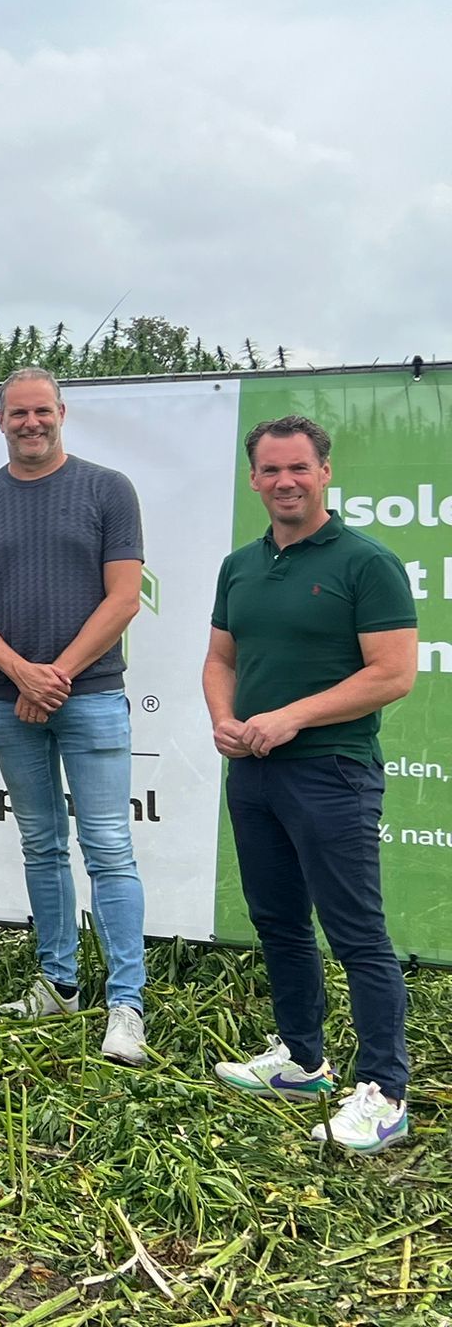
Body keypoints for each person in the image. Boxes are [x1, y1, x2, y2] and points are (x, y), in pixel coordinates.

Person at [204, 415, 418, 1153]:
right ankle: (302, 1059)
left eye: (299, 468)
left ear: (324, 472)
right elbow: (220, 660)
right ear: (254, 478)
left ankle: (385, 1091)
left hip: (332, 772)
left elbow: (393, 673)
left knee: (358, 934)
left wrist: (290, 718)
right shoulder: (240, 566)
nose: (285, 482)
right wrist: (224, 719)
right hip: (253, 772)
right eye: (270, 470)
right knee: (280, 923)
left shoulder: (367, 562)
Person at [0, 367, 148, 1066]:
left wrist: (54, 676)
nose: (31, 423)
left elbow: (124, 598)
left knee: (109, 849)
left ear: (62, 413)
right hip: (10, 700)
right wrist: (21, 674)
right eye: (17, 414)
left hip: (90, 696)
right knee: (40, 844)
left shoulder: (107, 490)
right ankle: (59, 981)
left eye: (42, 412)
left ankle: (127, 1003)